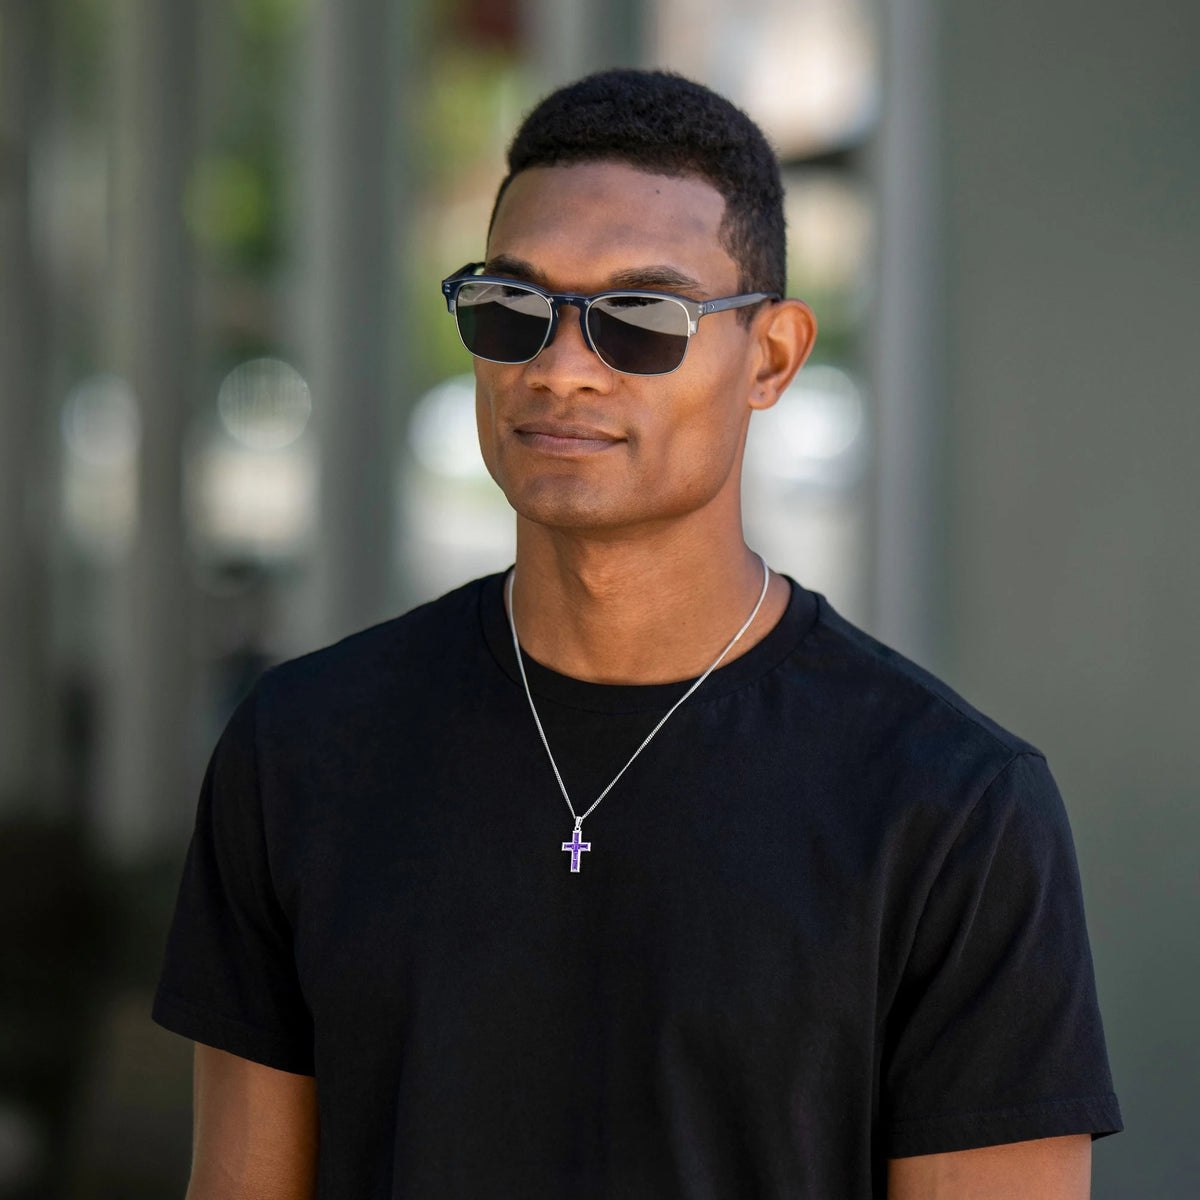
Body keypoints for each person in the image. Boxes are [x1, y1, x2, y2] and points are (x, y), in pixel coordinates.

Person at [153, 69, 1122, 1199]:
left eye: (641, 320)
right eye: (513, 308)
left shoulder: (953, 809)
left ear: (770, 358)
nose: (562, 367)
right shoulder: (301, 749)